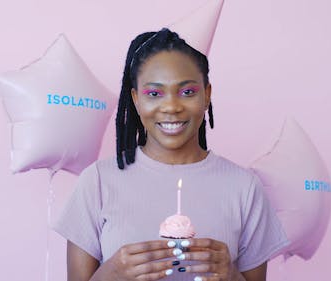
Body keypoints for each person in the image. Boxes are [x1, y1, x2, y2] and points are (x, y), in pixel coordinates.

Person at [53, 28, 289, 281]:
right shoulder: (97, 182)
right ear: (135, 99)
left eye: (187, 92)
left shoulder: (245, 187)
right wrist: (110, 275)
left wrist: (231, 275)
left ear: (206, 94)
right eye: (154, 94)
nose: (171, 107)